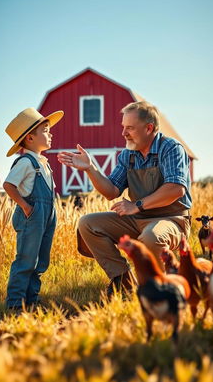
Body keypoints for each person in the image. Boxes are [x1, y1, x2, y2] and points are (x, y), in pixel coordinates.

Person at [57, 101, 192, 298]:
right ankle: (124, 281)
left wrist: (137, 205)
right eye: (123, 127)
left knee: (151, 237)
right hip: (137, 219)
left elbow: (175, 189)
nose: (123, 133)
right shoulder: (128, 155)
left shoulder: (170, 148)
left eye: (129, 128)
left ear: (149, 128)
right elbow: (111, 191)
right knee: (87, 223)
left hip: (171, 219)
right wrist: (90, 168)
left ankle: (157, 287)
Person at [4, 107, 64, 310]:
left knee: (40, 261)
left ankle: (31, 299)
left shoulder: (44, 163)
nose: (51, 133)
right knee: (26, 260)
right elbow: (8, 185)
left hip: (47, 215)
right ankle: (15, 303)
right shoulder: (25, 162)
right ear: (29, 138)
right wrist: (25, 206)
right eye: (46, 130)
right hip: (32, 215)